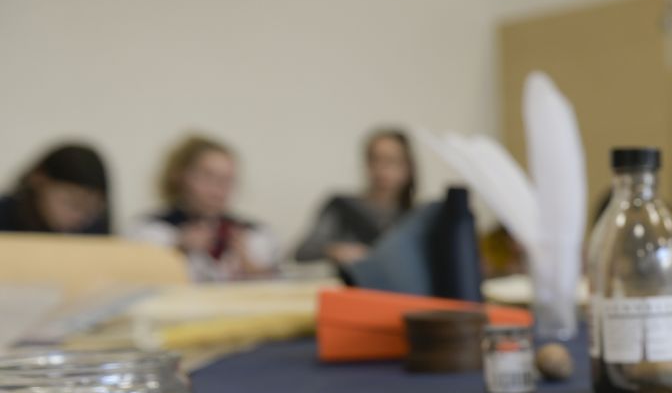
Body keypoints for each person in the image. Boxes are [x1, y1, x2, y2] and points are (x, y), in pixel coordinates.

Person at [131, 135, 279, 282]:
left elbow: (279, 282)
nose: (218, 189)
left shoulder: (256, 234)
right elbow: (136, 280)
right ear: (179, 176)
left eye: (227, 180)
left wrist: (251, 267)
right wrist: (178, 250)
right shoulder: (150, 230)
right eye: (208, 177)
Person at [295, 128, 417, 270]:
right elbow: (303, 252)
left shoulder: (415, 218)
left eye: (391, 160)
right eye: (374, 159)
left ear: (408, 167)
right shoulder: (341, 206)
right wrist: (335, 251)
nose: (382, 168)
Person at [0, 143, 111, 235]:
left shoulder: (93, 228)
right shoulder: (4, 216)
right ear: (39, 181)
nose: (80, 217)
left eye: (92, 209)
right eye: (72, 203)